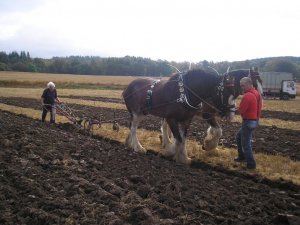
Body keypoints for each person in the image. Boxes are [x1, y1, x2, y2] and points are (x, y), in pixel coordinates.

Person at [235, 77, 262, 170]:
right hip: (254, 120)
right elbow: (260, 107)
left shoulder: (247, 96)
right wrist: (257, 119)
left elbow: (241, 110)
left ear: (248, 84)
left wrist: (232, 110)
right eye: (240, 85)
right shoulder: (257, 93)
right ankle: (241, 156)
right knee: (238, 137)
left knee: (246, 144)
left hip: (247, 122)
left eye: (243, 85)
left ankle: (251, 165)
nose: (241, 87)